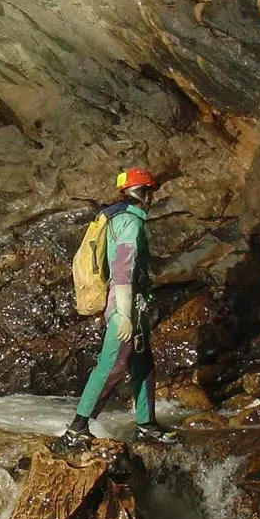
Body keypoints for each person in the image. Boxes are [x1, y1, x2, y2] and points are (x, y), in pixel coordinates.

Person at [56, 168, 180, 450]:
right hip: (126, 306)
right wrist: (123, 315)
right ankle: (77, 428)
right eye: (150, 192)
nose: (152, 198)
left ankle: (146, 425)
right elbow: (123, 271)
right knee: (112, 365)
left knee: (143, 365)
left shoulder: (116, 218)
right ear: (143, 193)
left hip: (131, 304)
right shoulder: (131, 224)